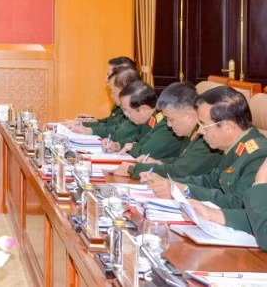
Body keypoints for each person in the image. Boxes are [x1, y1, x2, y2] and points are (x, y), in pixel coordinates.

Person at [144, 86, 267, 233]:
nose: (200, 131)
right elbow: (212, 180)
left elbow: (239, 204)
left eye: (204, 124)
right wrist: (174, 184)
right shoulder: (232, 147)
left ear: (228, 126)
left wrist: (186, 191)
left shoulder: (257, 155)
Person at [113, 82, 221, 180]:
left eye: (171, 119)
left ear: (188, 115)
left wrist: (133, 169)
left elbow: (180, 171)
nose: (168, 125)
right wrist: (158, 162)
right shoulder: (190, 132)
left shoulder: (206, 137)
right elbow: (181, 161)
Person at [69, 65, 140, 146]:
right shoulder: (127, 106)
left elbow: (118, 133)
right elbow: (110, 124)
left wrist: (89, 130)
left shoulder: (138, 108)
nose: (111, 96)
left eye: (113, 92)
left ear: (124, 88)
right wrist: (87, 123)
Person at [110, 80, 182, 159]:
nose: (125, 115)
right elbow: (139, 138)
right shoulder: (149, 119)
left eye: (127, 111)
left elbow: (145, 153)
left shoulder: (166, 124)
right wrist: (118, 145)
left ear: (144, 109)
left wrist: (133, 147)